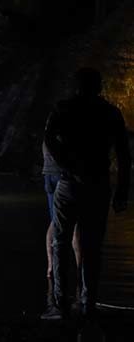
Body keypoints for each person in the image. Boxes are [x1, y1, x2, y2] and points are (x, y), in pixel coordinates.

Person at [43, 68, 131, 320]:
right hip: (98, 184)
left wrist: (64, 165)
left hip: (69, 182)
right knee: (93, 246)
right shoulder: (110, 113)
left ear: (77, 86)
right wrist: (122, 190)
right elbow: (124, 155)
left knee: (61, 241)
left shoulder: (64, 108)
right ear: (100, 87)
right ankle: (88, 303)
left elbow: (49, 138)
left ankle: (60, 303)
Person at [41, 141, 82, 318]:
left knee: (55, 222)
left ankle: (51, 268)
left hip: (49, 171)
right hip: (63, 174)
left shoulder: (54, 118)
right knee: (75, 225)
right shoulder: (69, 119)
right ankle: (81, 273)